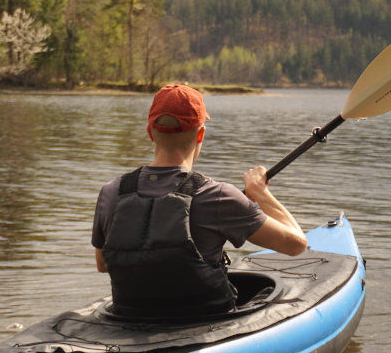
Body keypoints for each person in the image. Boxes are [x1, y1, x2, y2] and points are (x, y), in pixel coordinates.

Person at [92, 84, 307, 318]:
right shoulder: (219, 195)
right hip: (203, 319)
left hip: (129, 317)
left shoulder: (111, 192)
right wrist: (260, 193)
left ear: (150, 132)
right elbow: (296, 245)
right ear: (201, 134)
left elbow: (103, 264)